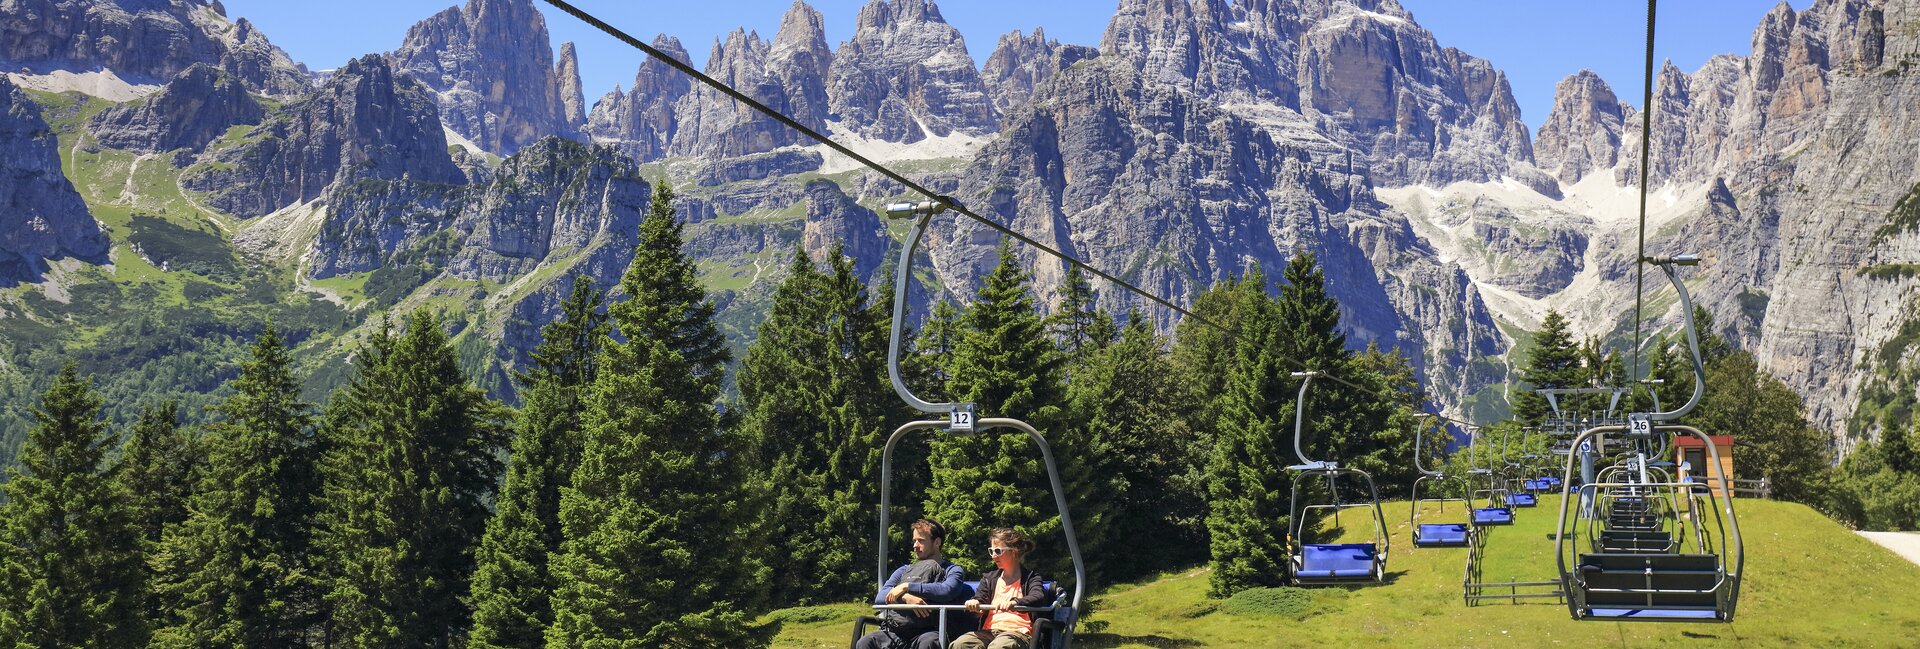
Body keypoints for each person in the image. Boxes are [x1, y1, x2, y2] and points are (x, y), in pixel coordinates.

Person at [856, 519, 973, 649]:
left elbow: (948, 590)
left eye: (921, 540)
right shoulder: (904, 570)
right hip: (897, 633)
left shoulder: (952, 570)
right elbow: (880, 597)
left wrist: (907, 587)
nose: (915, 545)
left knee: (929, 643)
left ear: (937, 542)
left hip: (928, 632)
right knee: (866, 642)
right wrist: (906, 597)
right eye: (914, 540)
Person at [952, 528, 1051, 649]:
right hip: (989, 631)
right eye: (991, 551)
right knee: (960, 644)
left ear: (1014, 551)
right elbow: (980, 599)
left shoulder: (1031, 579)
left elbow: (1037, 597)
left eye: (998, 551)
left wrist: (1014, 603)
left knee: (999, 646)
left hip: (1018, 633)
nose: (993, 556)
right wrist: (975, 605)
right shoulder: (989, 579)